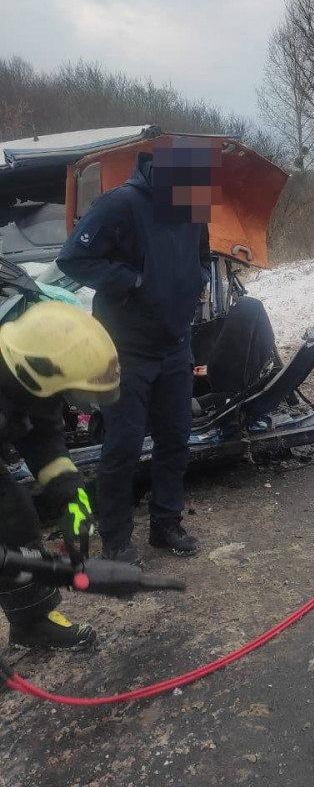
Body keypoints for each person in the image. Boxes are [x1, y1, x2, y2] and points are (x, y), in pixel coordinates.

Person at [58, 144, 212, 565]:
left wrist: (195, 280)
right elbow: (73, 258)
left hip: (176, 346)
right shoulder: (120, 204)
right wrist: (135, 280)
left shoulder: (193, 202)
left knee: (175, 440)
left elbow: (201, 254)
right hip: (126, 349)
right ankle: (115, 540)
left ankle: (166, 524)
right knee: (123, 446)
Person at [0, 302, 120, 649]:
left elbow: (46, 444)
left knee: (14, 517)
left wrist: (75, 502)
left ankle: (32, 625)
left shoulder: (30, 387)